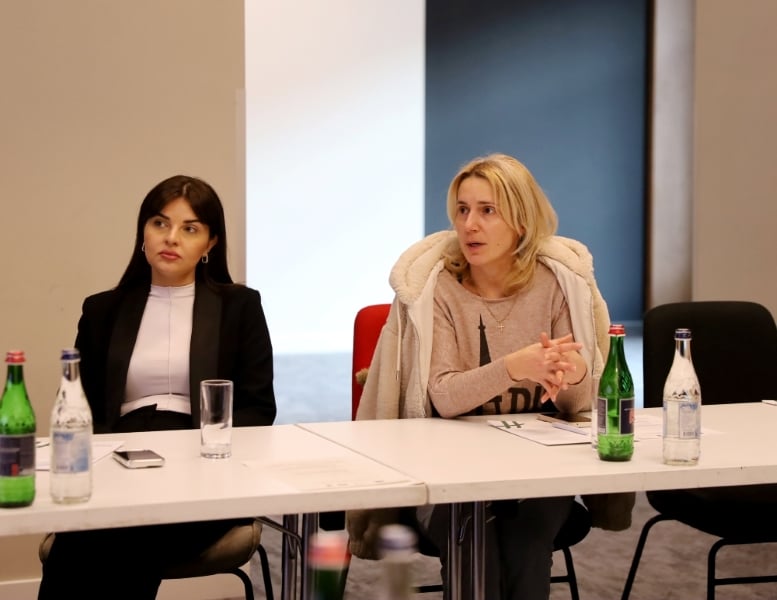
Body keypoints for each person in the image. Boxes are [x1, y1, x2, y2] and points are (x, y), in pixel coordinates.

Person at [347, 154, 614, 599]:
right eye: (463, 210)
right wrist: (514, 367)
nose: (470, 224)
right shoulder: (440, 289)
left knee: (528, 537)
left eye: (487, 211)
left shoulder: (557, 285)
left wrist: (576, 373)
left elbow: (577, 406)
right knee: (472, 533)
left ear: (522, 222)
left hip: (536, 471)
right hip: (447, 471)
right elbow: (445, 395)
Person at [38, 175, 276, 599]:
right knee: (104, 532)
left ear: (210, 244)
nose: (171, 238)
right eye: (160, 223)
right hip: (120, 464)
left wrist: (199, 452)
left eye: (190, 228)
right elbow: (81, 405)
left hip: (205, 469)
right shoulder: (102, 310)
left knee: (104, 538)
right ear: (142, 234)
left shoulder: (239, 307)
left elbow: (259, 408)